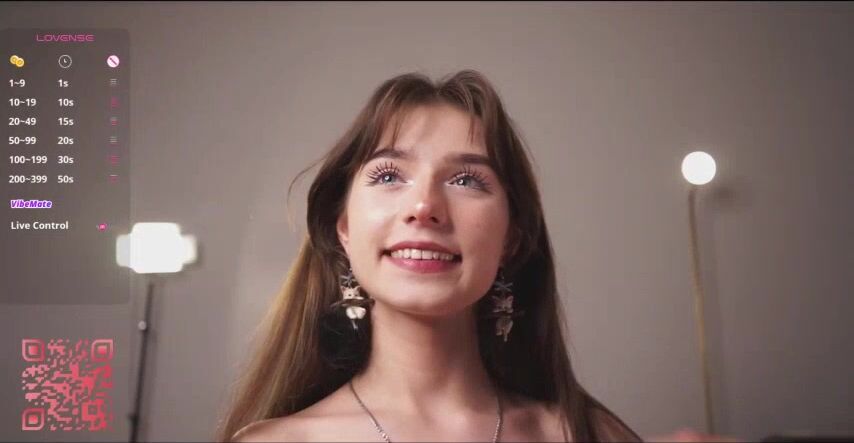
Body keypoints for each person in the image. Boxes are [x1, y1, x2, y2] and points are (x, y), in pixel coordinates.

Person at [216, 69, 673, 442]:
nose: (424, 207)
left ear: (511, 238)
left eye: (466, 180)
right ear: (344, 228)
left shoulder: (588, 435)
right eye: (389, 175)